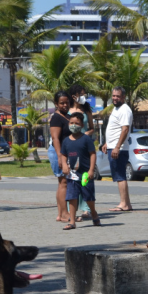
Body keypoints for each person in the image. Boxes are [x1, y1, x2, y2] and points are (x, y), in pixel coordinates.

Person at [60, 114, 101, 229]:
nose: (74, 125)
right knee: (72, 197)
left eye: (77, 123)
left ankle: (93, 212)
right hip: (72, 175)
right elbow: (63, 155)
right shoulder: (66, 141)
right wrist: (64, 165)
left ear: (82, 125)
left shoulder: (86, 139)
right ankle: (72, 221)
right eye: (71, 123)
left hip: (85, 175)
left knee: (88, 197)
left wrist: (91, 170)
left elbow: (92, 154)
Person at [102, 87, 134, 212]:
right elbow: (114, 129)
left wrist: (117, 147)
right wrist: (107, 143)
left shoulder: (125, 110)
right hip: (113, 146)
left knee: (120, 175)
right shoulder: (117, 109)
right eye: (114, 95)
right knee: (119, 175)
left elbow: (125, 130)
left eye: (118, 96)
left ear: (123, 97)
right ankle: (127, 203)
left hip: (118, 149)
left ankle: (123, 204)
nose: (115, 98)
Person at [69, 84, 94, 220]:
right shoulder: (67, 109)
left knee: (85, 178)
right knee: (72, 178)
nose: (84, 97)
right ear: (74, 96)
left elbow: (92, 128)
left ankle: (86, 209)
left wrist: (85, 134)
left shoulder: (87, 109)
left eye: (85, 94)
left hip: (84, 146)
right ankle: (71, 210)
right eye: (82, 94)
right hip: (71, 146)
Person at [47, 91, 72, 222]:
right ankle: (65, 214)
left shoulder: (67, 116)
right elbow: (55, 138)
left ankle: (60, 213)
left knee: (62, 183)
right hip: (58, 152)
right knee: (64, 183)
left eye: (67, 102)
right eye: (62, 103)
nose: (65, 105)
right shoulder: (56, 117)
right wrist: (60, 156)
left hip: (64, 152)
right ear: (56, 104)